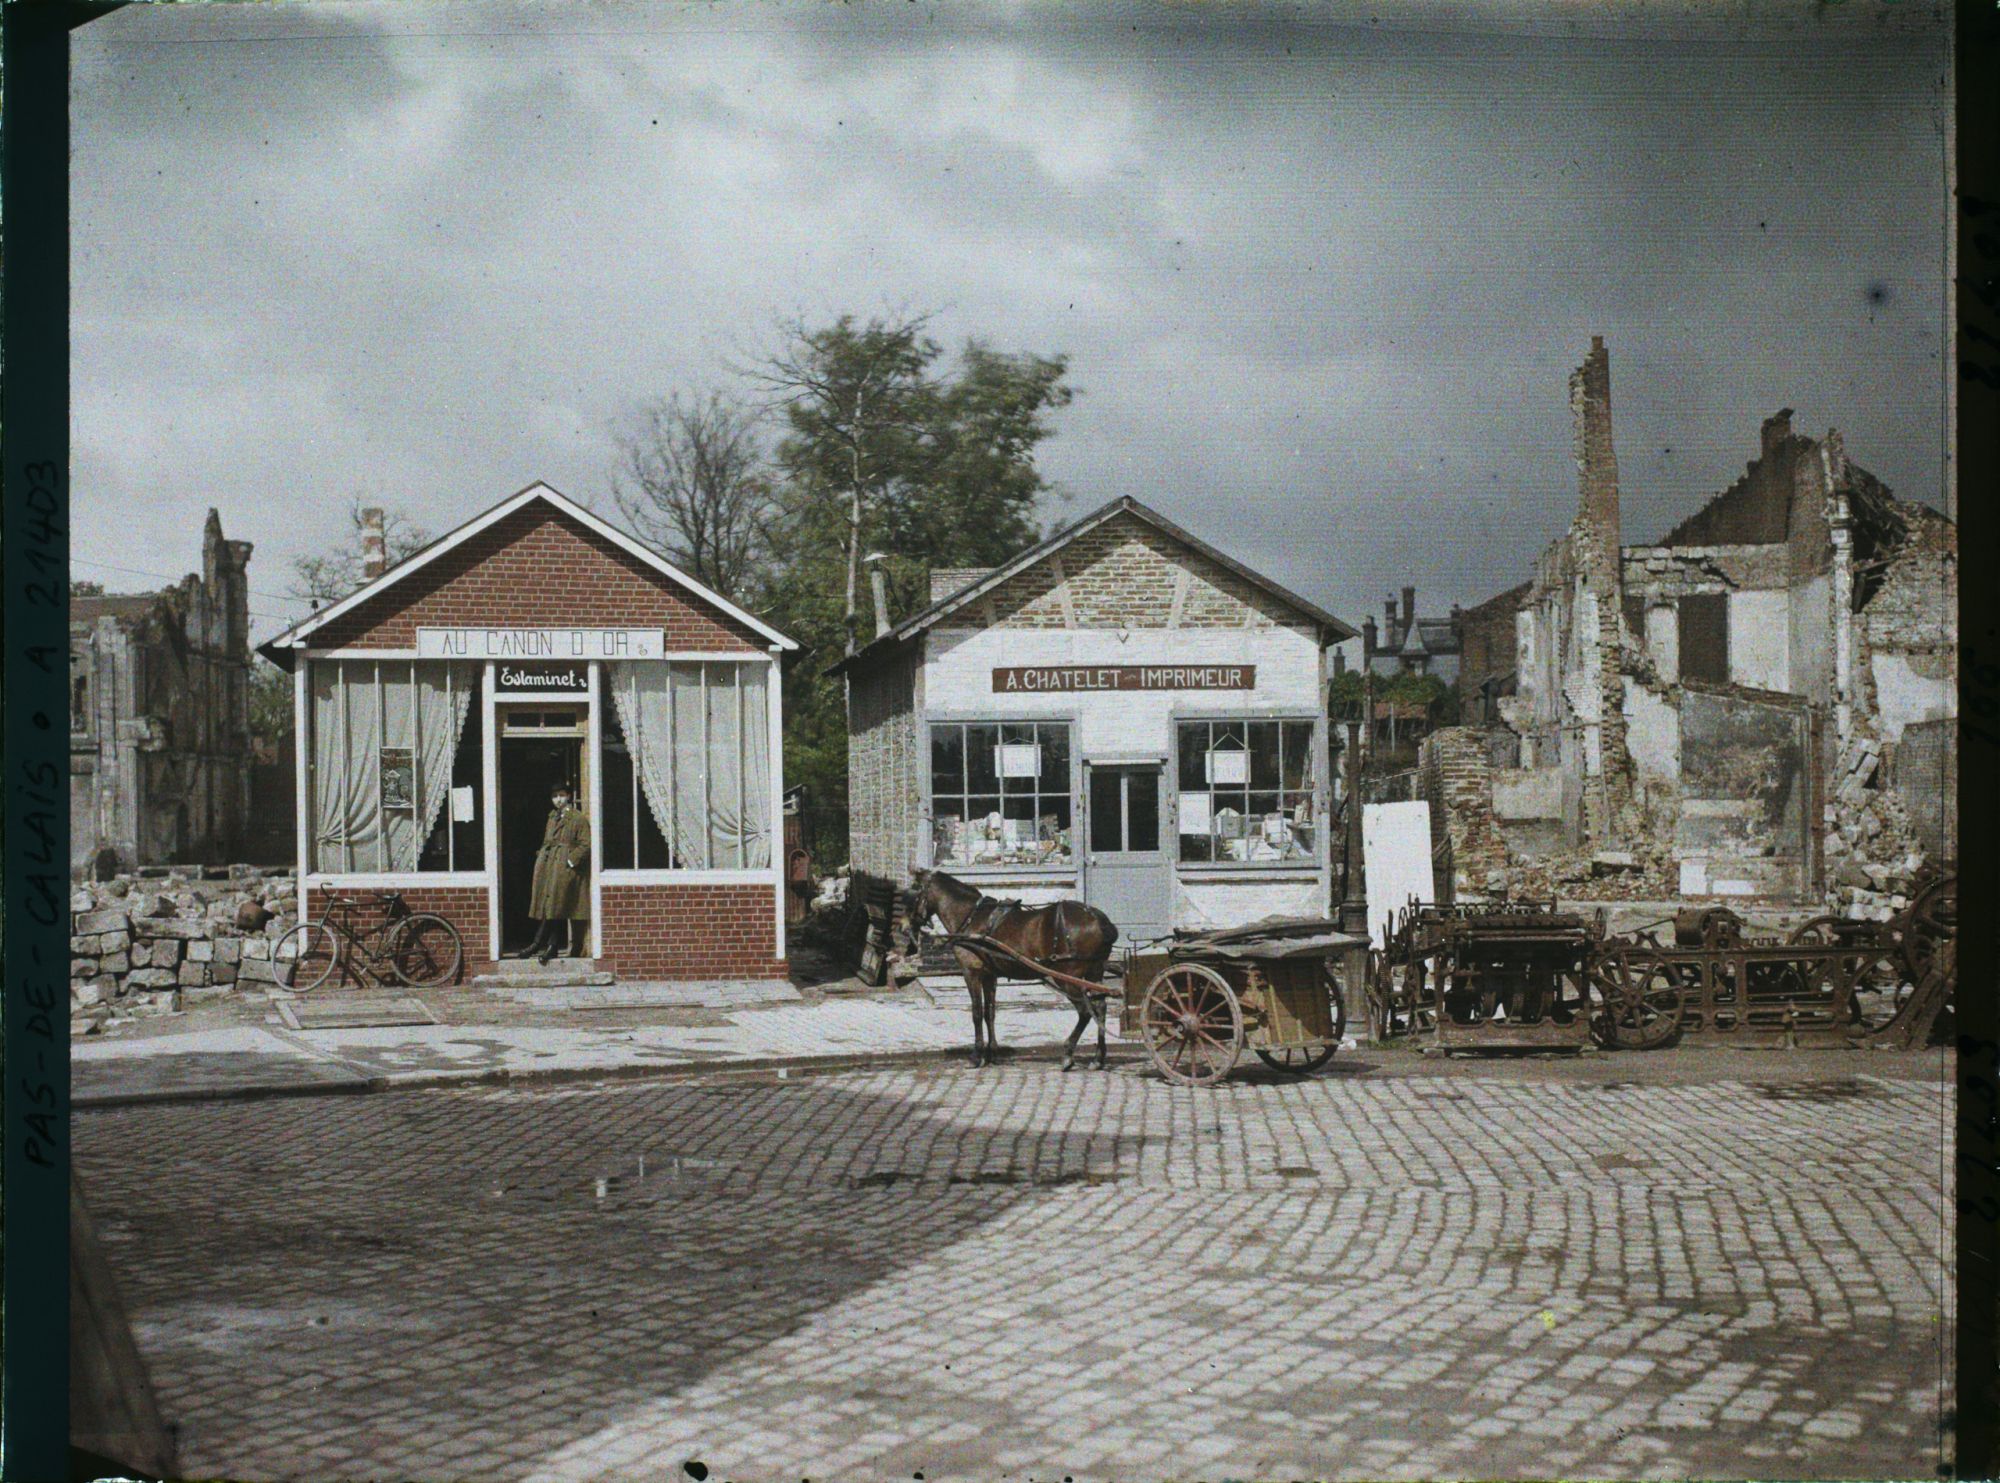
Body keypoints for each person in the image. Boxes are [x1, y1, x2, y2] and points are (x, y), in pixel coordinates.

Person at [526, 782, 591, 963]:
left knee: (558, 906)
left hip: (565, 870)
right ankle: (545, 945)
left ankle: (544, 945)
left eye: (562, 795)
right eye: (555, 796)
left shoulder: (577, 818)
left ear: (569, 796)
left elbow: (586, 844)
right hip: (549, 867)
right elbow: (548, 840)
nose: (558, 800)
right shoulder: (552, 817)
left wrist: (570, 861)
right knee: (550, 906)